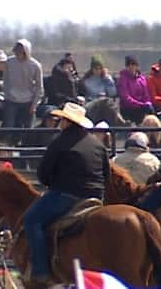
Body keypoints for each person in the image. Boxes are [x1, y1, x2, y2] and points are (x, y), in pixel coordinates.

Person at [24, 103, 108, 285]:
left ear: (67, 122)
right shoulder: (97, 144)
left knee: (32, 220)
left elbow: (43, 174)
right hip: (96, 197)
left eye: (61, 119)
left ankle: (41, 271)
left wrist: (51, 184)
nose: (59, 122)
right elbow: (106, 174)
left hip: (67, 195)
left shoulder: (60, 143)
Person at [3, 39, 43, 132]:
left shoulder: (35, 65)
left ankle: (27, 145)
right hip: (11, 100)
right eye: (16, 51)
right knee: (9, 126)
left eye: (21, 51)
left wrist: (34, 104)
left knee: (28, 129)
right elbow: (5, 80)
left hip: (28, 101)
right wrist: (7, 95)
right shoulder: (9, 62)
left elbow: (39, 86)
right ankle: (8, 144)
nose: (18, 54)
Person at [117, 55, 154, 124]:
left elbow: (146, 95)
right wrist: (141, 105)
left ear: (136, 66)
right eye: (128, 64)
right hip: (128, 110)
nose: (131, 66)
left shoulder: (142, 79)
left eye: (133, 64)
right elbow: (125, 98)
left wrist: (148, 103)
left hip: (142, 109)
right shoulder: (122, 79)